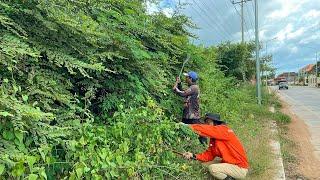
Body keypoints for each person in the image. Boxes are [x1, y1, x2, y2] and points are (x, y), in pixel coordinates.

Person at [182, 113, 249, 180]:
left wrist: (188, 126)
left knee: (213, 168)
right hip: (230, 164)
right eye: (206, 123)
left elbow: (207, 129)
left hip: (239, 167)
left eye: (209, 122)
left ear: (216, 122)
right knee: (204, 165)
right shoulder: (214, 139)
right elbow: (208, 155)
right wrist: (193, 155)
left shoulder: (224, 130)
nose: (207, 125)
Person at [173, 71, 206, 144]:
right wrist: (179, 84)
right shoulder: (192, 87)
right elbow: (184, 92)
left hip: (193, 116)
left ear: (190, 79)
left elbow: (183, 94)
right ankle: (181, 144)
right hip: (187, 115)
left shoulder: (194, 88)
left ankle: (205, 146)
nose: (186, 78)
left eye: (187, 77)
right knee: (182, 129)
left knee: (200, 133)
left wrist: (175, 89)